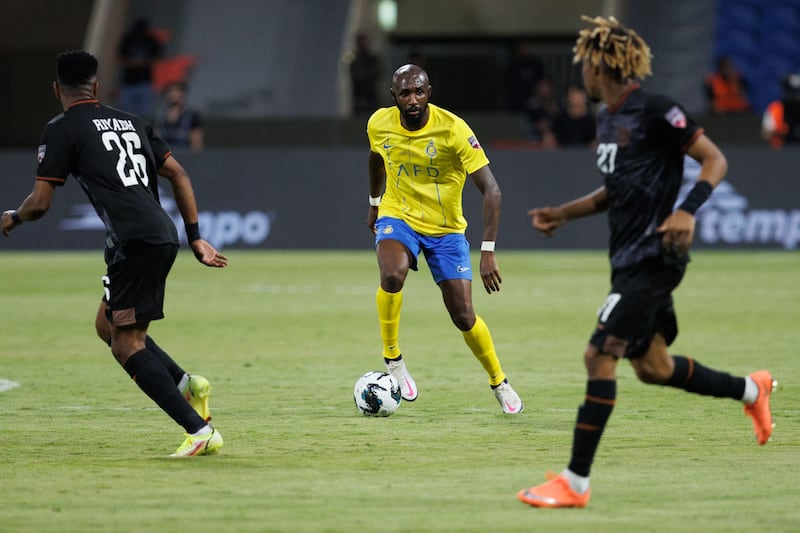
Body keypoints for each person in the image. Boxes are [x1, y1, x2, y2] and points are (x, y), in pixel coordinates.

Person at [518, 16, 775, 508]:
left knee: (599, 356)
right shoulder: (607, 120)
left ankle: (575, 483)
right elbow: (615, 192)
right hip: (628, 257)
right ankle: (751, 389)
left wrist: (685, 210)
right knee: (653, 367)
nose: (582, 76)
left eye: (585, 66)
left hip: (656, 257)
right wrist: (563, 214)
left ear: (600, 64)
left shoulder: (658, 110)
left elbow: (715, 160)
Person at [1, 50, 228, 457]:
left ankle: (198, 430)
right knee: (107, 324)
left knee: (126, 343)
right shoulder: (132, 121)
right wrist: (195, 235)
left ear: (57, 90)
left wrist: (14, 218)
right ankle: (185, 384)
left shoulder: (62, 128)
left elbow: (40, 203)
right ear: (97, 86)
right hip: (159, 233)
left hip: (133, 242)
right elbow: (178, 172)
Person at [366, 64, 523, 414]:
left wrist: (487, 251)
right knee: (392, 274)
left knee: (464, 315)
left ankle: (499, 380)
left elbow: (492, 191)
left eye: (419, 91)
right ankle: (393, 357)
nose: (412, 99)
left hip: (446, 230)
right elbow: (376, 159)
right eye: (405, 93)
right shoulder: (379, 123)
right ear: (394, 97)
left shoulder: (453, 130)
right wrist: (375, 203)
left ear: (429, 92)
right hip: (399, 215)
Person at [117, 18, 162, 119]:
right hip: (128, 82)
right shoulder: (128, 39)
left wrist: (142, 63)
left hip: (145, 82)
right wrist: (131, 63)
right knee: (124, 115)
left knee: (143, 116)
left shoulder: (151, 41)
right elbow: (119, 57)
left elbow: (157, 58)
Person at [154, 82, 204, 152]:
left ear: (184, 95)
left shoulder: (192, 116)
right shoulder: (161, 116)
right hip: (166, 157)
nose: (174, 94)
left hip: (185, 155)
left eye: (178, 91)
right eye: (171, 91)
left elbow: (197, 143)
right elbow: (156, 140)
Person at [550, 82, 597, 147]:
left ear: (585, 96)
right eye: (571, 93)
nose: (574, 97)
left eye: (577, 93)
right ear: (566, 97)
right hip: (561, 155)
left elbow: (594, 143)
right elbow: (551, 140)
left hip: (586, 156)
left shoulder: (592, 121)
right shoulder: (559, 119)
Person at [761, 73, 800, 149]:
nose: (794, 95)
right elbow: (765, 134)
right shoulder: (776, 108)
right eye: (791, 91)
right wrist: (781, 131)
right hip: (781, 151)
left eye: (796, 91)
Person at [505, 41, 545, 112]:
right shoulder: (514, 64)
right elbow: (508, 82)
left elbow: (541, 81)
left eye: (526, 47)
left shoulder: (535, 64)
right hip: (517, 98)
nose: (525, 49)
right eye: (522, 47)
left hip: (533, 97)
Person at [350, 32, 381, 115]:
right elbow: (354, 73)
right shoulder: (354, 59)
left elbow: (377, 73)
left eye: (363, 41)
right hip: (358, 92)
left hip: (370, 92)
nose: (362, 44)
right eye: (360, 42)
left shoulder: (372, 59)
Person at [524, 78, 560, 147]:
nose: (545, 89)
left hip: (553, 137)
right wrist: (548, 134)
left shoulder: (556, 104)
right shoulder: (533, 103)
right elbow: (541, 125)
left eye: (547, 86)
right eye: (542, 86)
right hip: (535, 138)